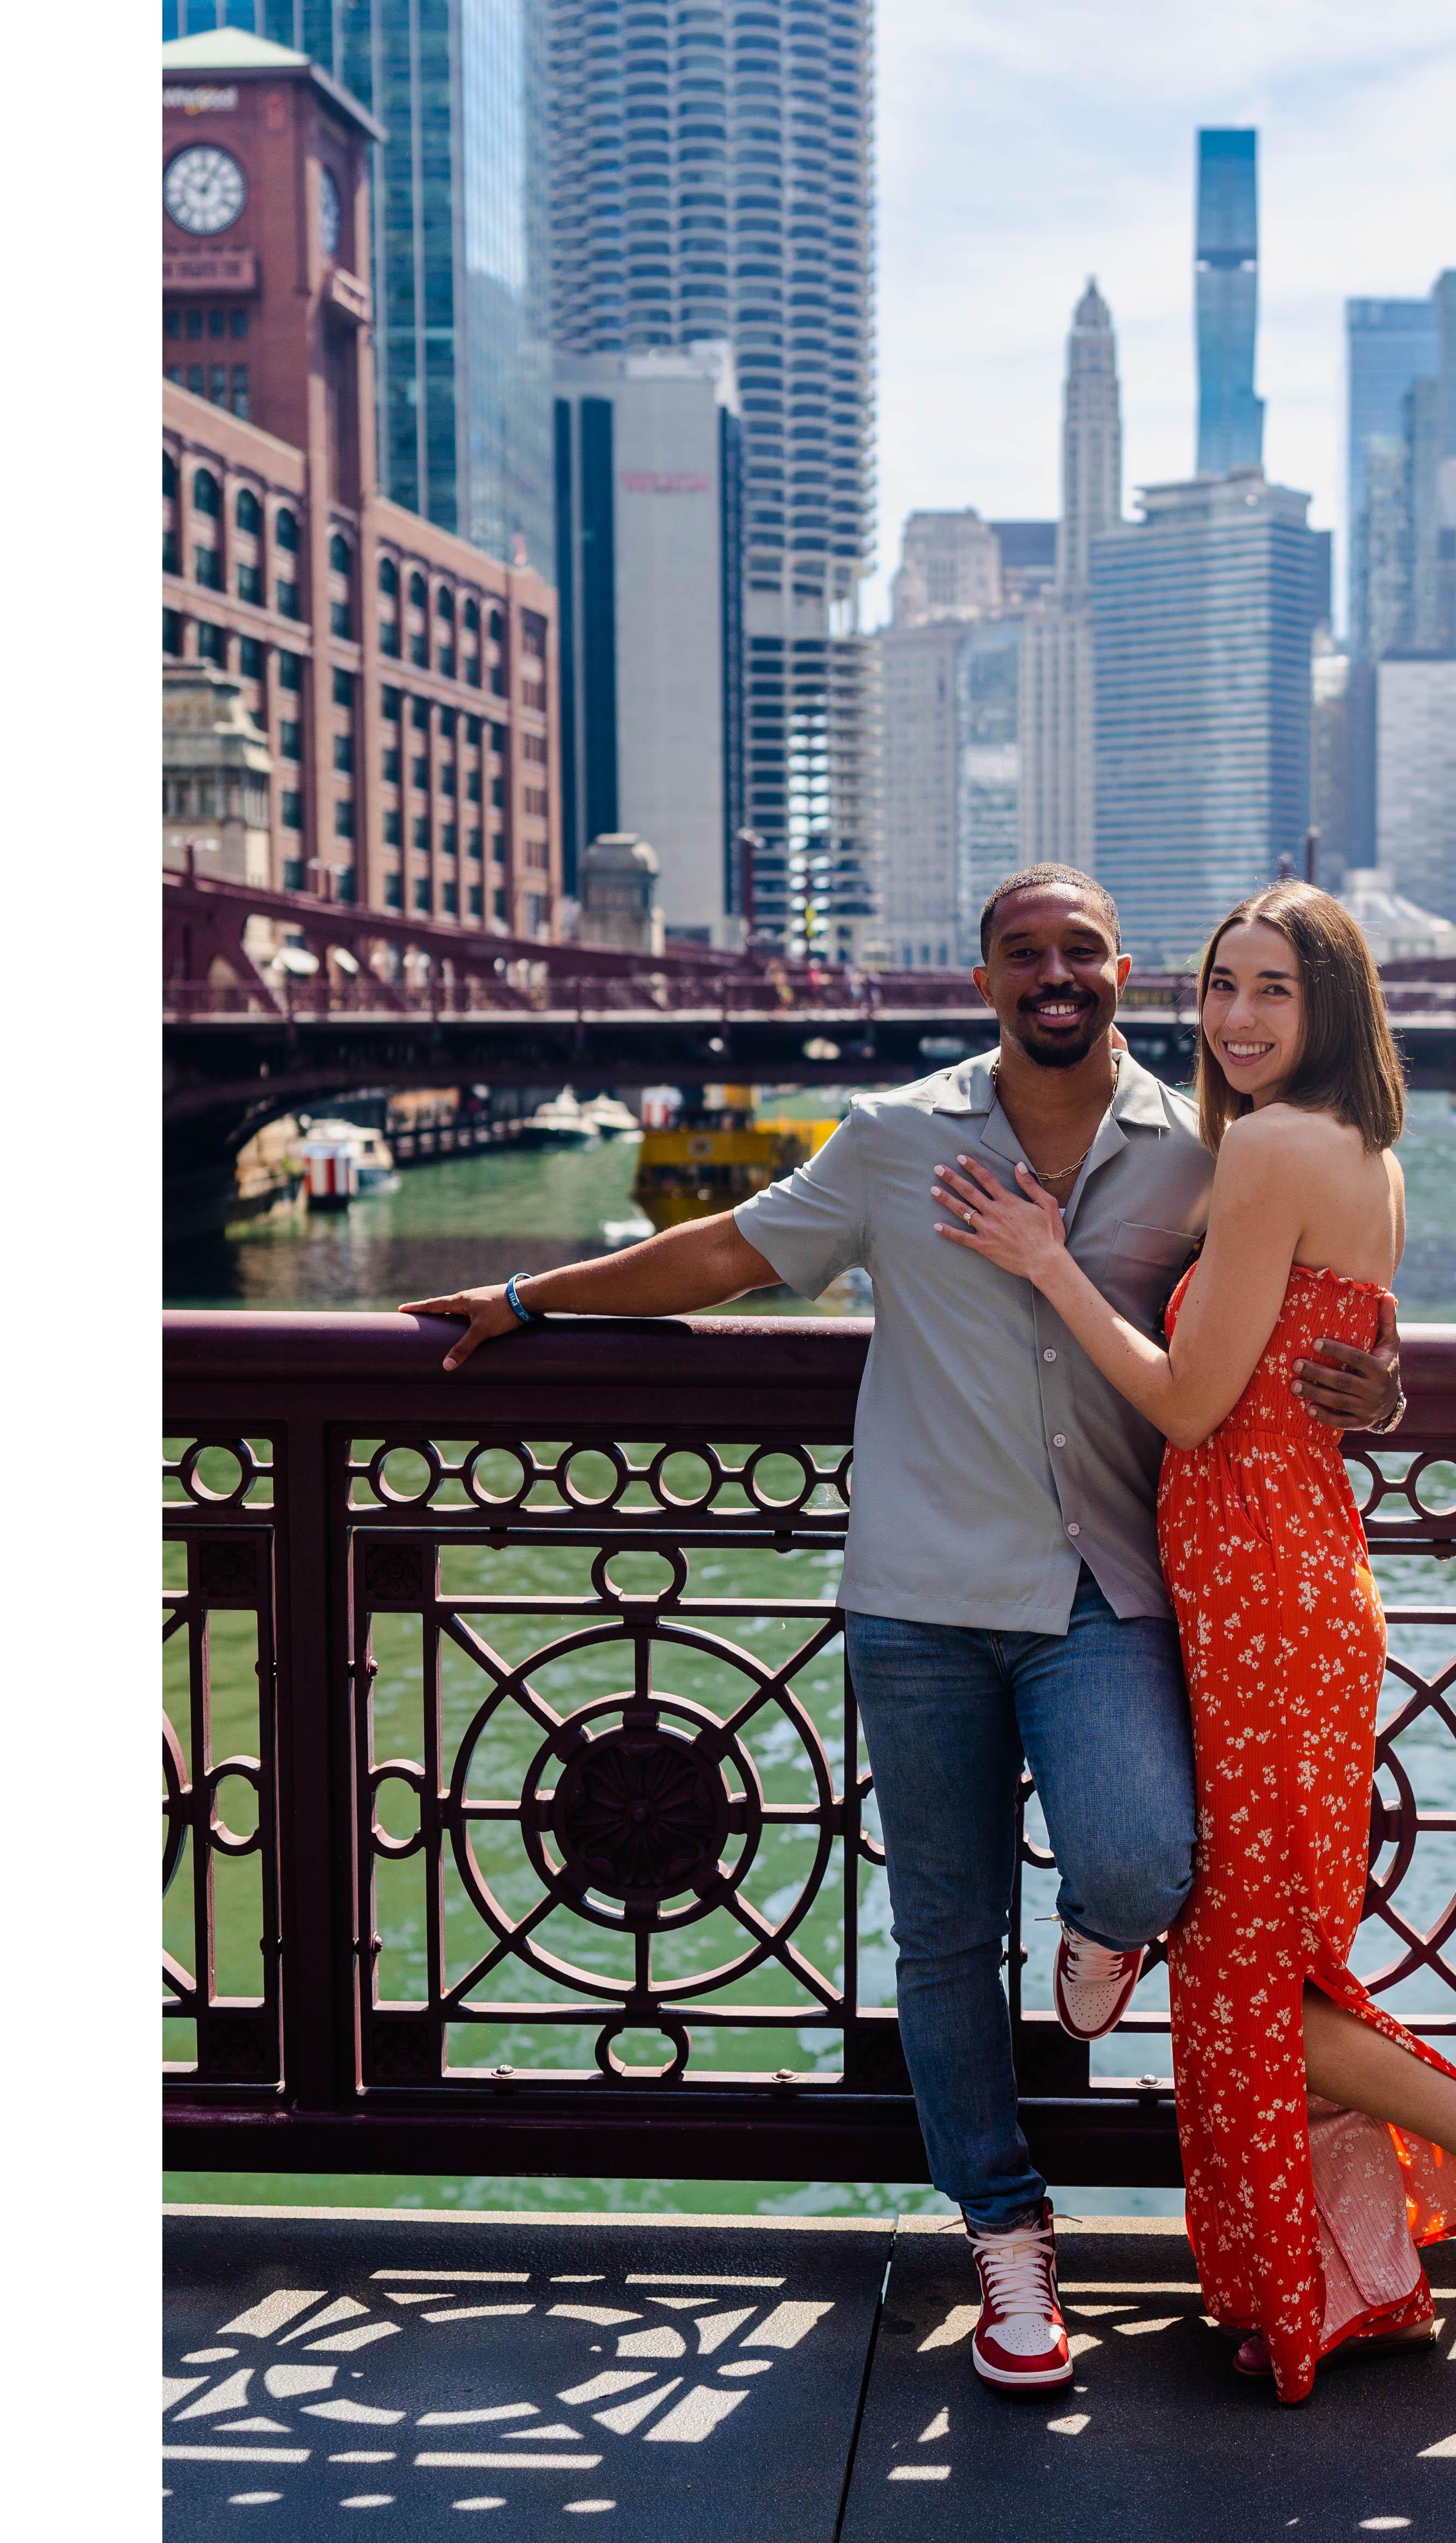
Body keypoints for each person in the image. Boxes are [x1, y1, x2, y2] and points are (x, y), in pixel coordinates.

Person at [399, 867, 1403, 2398]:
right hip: (922, 1597)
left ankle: (1101, 1932)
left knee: (1143, 1857)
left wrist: (1386, 1385)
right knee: (941, 1936)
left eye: (1083, 953)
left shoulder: (1206, 1152)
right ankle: (1006, 2240)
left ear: (1123, 972)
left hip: (1109, 1595)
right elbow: (730, 1251)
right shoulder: (893, 1139)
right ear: (984, 976)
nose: (1054, 977)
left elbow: (1320, 1303)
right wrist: (533, 1300)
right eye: (1024, 957)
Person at [937, 880, 1456, 2405]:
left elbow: (1188, 1402)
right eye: (1222, 985)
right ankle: (1362, 2260)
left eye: (1272, 991)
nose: (1236, 1017)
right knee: (1260, 1953)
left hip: (1259, 1588)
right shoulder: (1363, 1152)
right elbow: (1339, 1359)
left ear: (1332, 1008)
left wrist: (1047, 1263)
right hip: (1297, 1574)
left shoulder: (1273, 1149)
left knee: (1246, 1971)